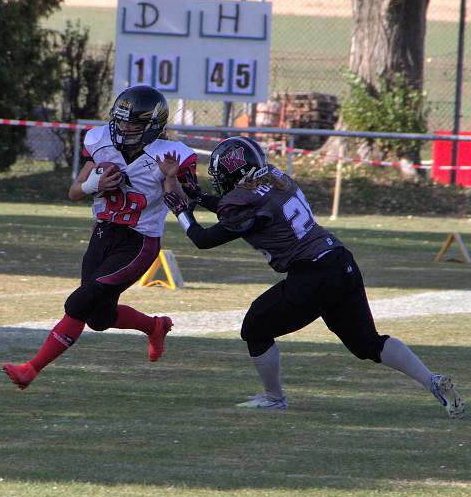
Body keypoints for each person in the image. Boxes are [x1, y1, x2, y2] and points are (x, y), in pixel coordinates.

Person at [160, 136, 464, 418]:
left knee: (255, 327)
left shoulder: (246, 202)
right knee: (367, 343)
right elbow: (237, 209)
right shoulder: (275, 178)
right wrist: (197, 196)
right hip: (340, 261)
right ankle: (432, 380)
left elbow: (204, 238)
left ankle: (274, 398)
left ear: (234, 174)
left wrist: (181, 210)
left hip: (312, 274)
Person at [2, 85, 198, 389]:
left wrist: (171, 177)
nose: (124, 128)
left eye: (133, 123)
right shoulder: (100, 141)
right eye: (121, 121)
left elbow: (186, 203)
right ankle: (155, 326)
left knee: (79, 302)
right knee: (98, 318)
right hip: (103, 234)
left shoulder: (172, 155)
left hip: (138, 242)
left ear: (152, 126)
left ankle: (31, 369)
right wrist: (95, 185)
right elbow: (74, 193)